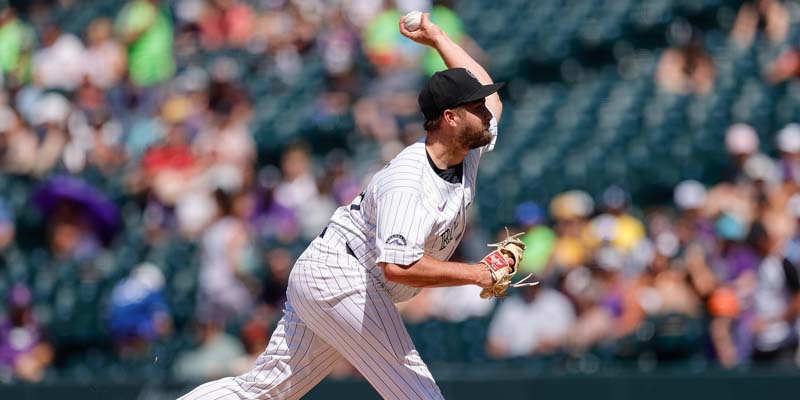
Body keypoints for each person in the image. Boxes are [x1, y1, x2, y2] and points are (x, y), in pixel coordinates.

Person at [179, 12, 518, 399]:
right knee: (418, 393)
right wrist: (476, 274)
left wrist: (438, 38)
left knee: (265, 390)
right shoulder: (409, 181)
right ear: (451, 117)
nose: (486, 113)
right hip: (344, 276)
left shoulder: (466, 151)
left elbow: (493, 99)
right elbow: (399, 265)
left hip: (334, 272)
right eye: (475, 108)